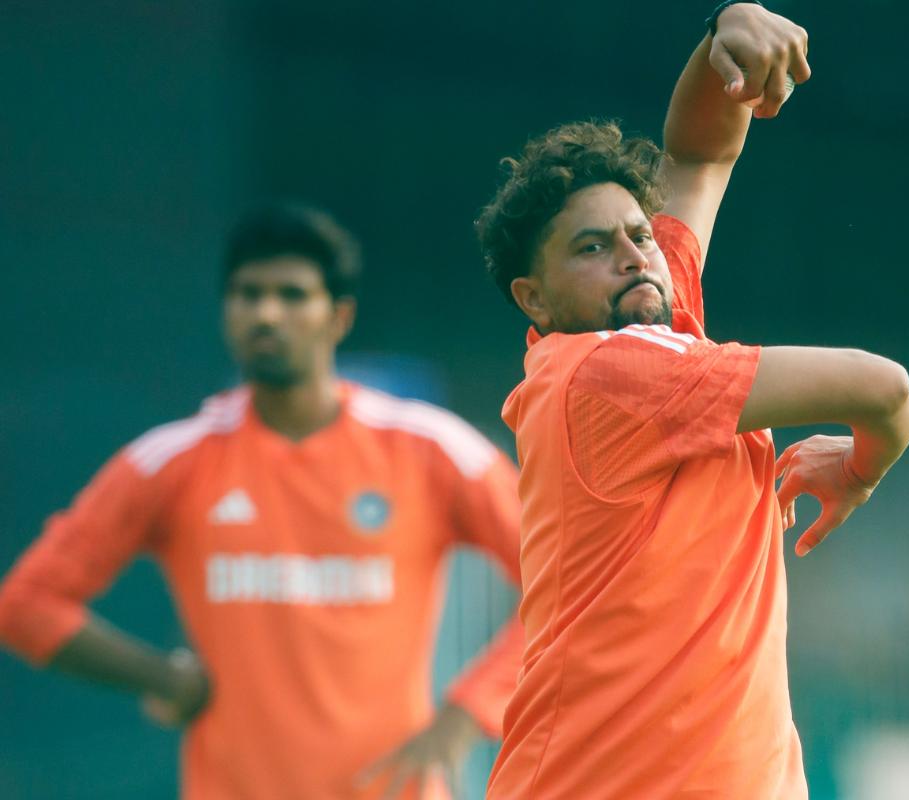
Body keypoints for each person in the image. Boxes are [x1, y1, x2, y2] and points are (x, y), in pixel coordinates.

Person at [473, 2, 909, 797]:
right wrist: (861, 469)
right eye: (592, 247)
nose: (635, 256)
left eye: (638, 234)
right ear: (533, 300)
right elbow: (882, 386)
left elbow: (699, 153)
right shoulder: (612, 372)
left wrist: (727, 33)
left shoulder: (652, 322)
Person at [0, 204, 524, 800]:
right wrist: (164, 679)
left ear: (340, 315)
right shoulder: (170, 461)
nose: (267, 313)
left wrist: (467, 716)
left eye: (293, 295)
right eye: (248, 294)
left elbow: (561, 585)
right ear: (226, 311)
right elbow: (25, 606)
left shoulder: (431, 447)